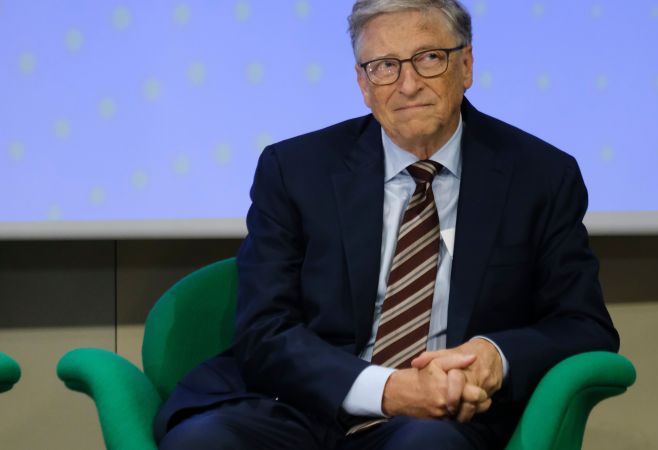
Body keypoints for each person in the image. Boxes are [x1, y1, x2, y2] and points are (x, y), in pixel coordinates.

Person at [154, 1, 618, 448]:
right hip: (300, 404)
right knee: (204, 440)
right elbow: (264, 330)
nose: (408, 85)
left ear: (466, 65)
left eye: (429, 58)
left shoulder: (539, 176)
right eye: (384, 66)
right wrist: (390, 389)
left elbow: (584, 325)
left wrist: (495, 357)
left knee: (430, 444)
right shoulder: (294, 169)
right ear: (362, 82)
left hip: (440, 418)